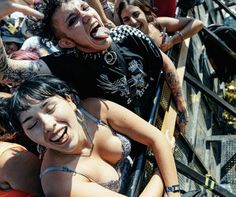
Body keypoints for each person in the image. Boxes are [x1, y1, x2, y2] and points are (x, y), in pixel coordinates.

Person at [0, 0, 188, 132]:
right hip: (142, 153)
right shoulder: (66, 65)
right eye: (73, 20)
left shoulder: (127, 34)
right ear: (66, 42)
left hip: (169, 121)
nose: (87, 16)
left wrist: (180, 104)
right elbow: (6, 72)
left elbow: (165, 62)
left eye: (85, 7)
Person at [0, 74, 181, 196]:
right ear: (26, 135)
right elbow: (162, 144)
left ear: (69, 100)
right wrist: (160, 168)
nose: (48, 125)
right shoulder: (57, 180)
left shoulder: (95, 110)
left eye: (50, 108)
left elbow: (156, 138)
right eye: (32, 125)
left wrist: (174, 191)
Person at [117, 0, 204, 52]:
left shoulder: (157, 23)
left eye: (136, 14)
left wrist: (172, 41)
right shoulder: (128, 46)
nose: (133, 21)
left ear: (144, 12)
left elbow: (197, 23)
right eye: (126, 19)